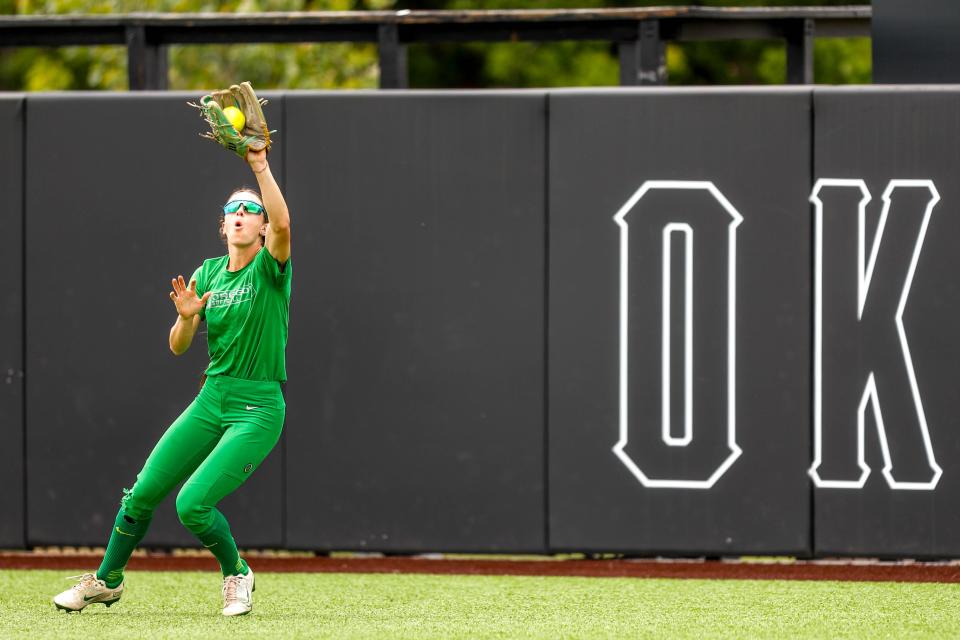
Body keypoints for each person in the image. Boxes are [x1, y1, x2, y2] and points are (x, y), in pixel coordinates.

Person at [53, 146, 291, 617]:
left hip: (258, 408)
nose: (242, 214)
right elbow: (178, 346)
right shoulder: (207, 273)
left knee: (192, 504)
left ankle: (237, 573)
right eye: (233, 209)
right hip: (212, 398)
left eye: (251, 210)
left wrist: (259, 166)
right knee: (141, 493)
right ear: (222, 226)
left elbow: (285, 227)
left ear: (262, 227)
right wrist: (185, 318)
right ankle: (107, 580)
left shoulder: (269, 268)